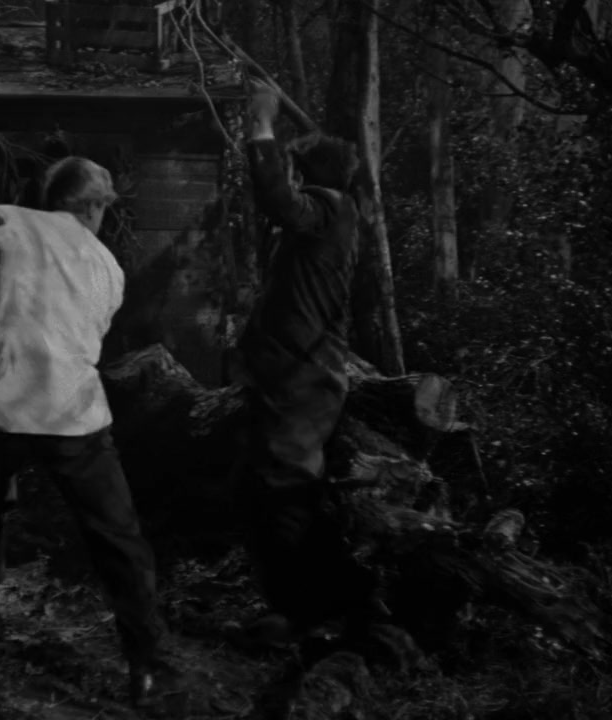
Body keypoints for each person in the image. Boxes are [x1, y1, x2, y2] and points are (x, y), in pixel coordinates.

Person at [0, 156, 181, 708]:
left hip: (2, 407)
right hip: (69, 412)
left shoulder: (8, 224)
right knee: (118, 536)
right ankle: (146, 664)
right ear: (94, 206)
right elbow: (91, 335)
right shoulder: (107, 265)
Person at [233, 81, 376, 646]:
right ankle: (308, 608)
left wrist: (261, 125)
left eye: (296, 170)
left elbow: (277, 197)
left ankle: (304, 616)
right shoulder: (336, 214)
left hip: (303, 378)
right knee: (268, 489)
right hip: (294, 375)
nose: (291, 178)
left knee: (287, 492)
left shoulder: (328, 210)